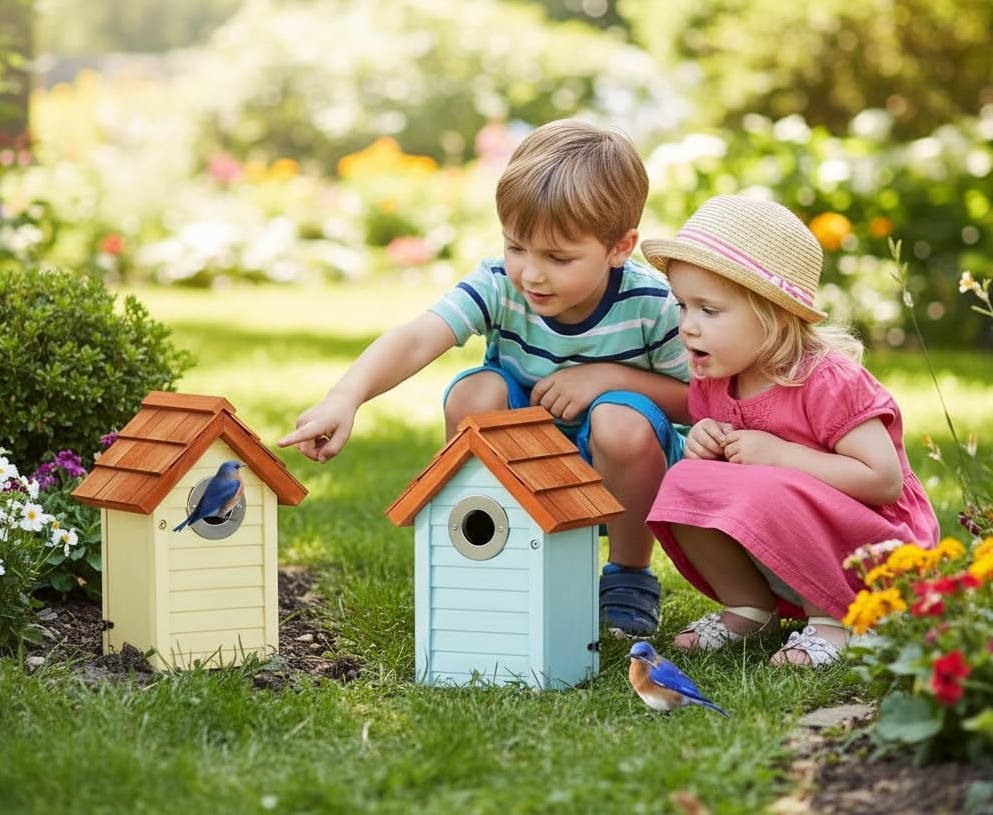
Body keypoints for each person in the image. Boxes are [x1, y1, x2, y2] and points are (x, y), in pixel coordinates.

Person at [279, 118, 691, 637]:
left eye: (559, 258)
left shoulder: (652, 305)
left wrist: (609, 378)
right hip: (528, 451)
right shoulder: (500, 285)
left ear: (619, 248)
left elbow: (703, 403)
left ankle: (629, 576)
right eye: (517, 247)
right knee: (477, 391)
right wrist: (347, 397)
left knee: (617, 420)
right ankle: (503, 553)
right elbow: (417, 337)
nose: (532, 274)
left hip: (628, 461)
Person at [639, 195, 940, 666]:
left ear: (774, 316)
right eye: (683, 306)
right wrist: (706, 446)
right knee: (681, 480)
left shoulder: (825, 380)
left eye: (709, 311)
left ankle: (838, 622)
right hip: (788, 544)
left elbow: (884, 481)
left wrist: (780, 456)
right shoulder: (716, 377)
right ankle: (748, 607)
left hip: (873, 552)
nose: (687, 327)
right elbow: (733, 479)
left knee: (773, 485)